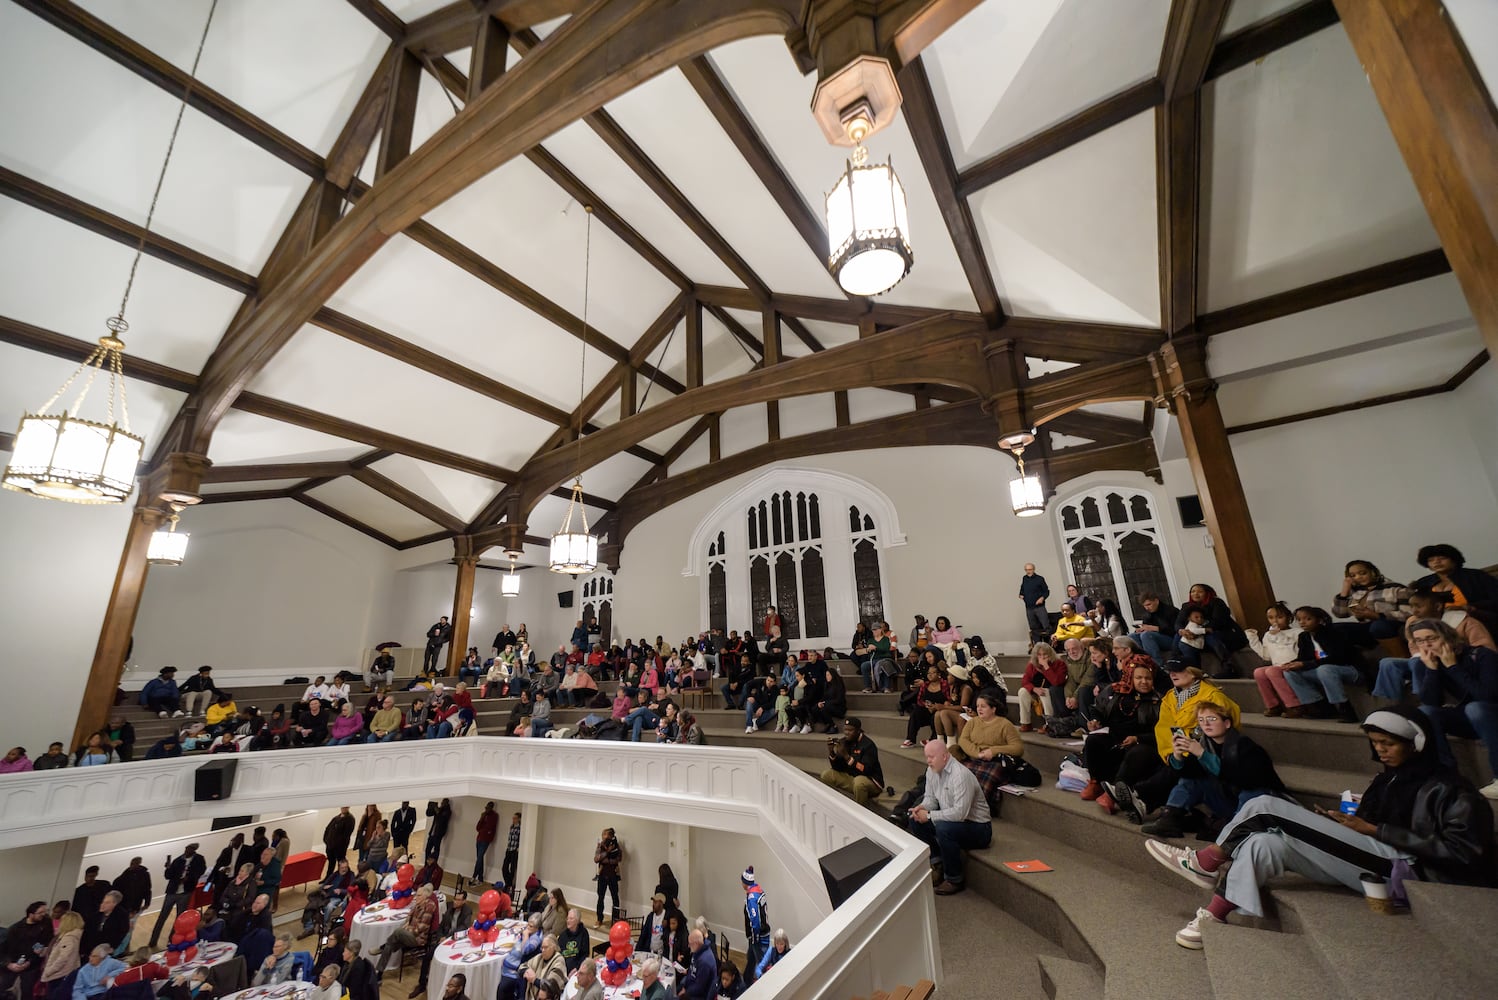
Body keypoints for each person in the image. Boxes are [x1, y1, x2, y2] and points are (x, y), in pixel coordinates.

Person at [1151, 707, 1495, 950]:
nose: (1381, 751)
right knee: (1265, 844)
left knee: (1264, 805)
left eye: (1388, 744)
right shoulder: (1388, 778)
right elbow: (1369, 824)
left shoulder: (1453, 788)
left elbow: (1465, 852)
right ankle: (1214, 915)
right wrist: (1339, 824)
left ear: (1417, 743)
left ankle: (1207, 862)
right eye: (1375, 744)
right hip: (1372, 860)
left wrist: (1377, 831)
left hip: (1410, 870)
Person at [1109, 662, 1241, 825]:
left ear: (1193, 673)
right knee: (1147, 755)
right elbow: (1163, 728)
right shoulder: (1170, 697)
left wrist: (1183, 748)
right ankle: (1135, 797)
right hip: (1177, 747)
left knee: (1184, 767)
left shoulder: (1213, 696)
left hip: (1207, 750)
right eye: (1170, 671)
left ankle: (1137, 796)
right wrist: (1169, 752)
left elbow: (1217, 728)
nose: (1172, 674)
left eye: (1178, 670)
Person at [1140, 700, 1286, 839]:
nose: (1206, 724)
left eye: (1212, 719)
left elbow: (1247, 781)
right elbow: (1190, 774)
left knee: (1251, 792)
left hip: (1260, 804)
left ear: (1227, 723)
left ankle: (1236, 830)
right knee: (1189, 780)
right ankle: (1170, 818)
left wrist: (1203, 755)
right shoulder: (1203, 744)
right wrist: (1178, 756)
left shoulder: (1246, 747)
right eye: (1201, 720)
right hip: (1229, 801)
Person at [1411, 618, 1498, 799]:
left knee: (1475, 708)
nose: (1426, 645)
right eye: (1419, 641)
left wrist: (1453, 667)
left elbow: (1487, 696)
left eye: (1431, 638)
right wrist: (1432, 670)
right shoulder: (1427, 662)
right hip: (1471, 717)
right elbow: (1431, 702)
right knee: (1426, 713)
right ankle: (1448, 776)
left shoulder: (1481, 655)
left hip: (1490, 712)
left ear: (1447, 636)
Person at [1374, 591, 1497, 700]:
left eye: (1419, 606)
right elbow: (1415, 649)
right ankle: (1392, 704)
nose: (1414, 611)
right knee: (1388, 663)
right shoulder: (1415, 624)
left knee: (1417, 663)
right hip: (1427, 658)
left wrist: (1453, 652)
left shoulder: (1465, 621)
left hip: (1453, 659)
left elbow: (1485, 648)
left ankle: (1422, 698)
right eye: (1411, 607)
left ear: (1437, 606)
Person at [908, 740, 991, 895]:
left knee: (943, 828)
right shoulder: (931, 770)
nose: (928, 761)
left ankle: (954, 879)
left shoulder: (960, 775)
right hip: (955, 822)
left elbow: (960, 814)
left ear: (945, 757)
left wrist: (930, 815)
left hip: (979, 828)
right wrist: (923, 808)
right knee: (915, 819)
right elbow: (931, 799)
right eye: (927, 757)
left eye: (931, 757)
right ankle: (937, 863)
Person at [1280, 606, 1366, 723]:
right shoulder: (1304, 636)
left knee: (1325, 669)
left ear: (1319, 620)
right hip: (1322, 670)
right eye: (1299, 620)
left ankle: (1345, 709)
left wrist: (1307, 664)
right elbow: (1303, 658)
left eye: (1307, 619)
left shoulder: (1333, 633)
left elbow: (1339, 658)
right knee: (1290, 672)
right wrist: (1291, 664)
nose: (1302, 622)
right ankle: (1319, 706)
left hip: (1349, 669)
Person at [955, 688, 1025, 801]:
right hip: (974, 757)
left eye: (983, 706)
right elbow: (963, 740)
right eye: (978, 706)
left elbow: (1018, 748)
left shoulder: (1005, 724)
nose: (979, 709)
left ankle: (976, 806)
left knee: (986, 774)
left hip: (994, 760)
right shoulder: (973, 722)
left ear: (993, 709)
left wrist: (993, 751)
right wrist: (977, 753)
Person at [1410, 543, 1498, 631]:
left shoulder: (1476, 576)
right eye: (1431, 560)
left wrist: (1467, 607)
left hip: (1475, 617)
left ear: (1454, 560)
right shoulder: (1424, 582)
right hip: (1438, 621)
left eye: (1442, 558)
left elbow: (1495, 600)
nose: (1436, 562)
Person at [1173, 584, 1249, 675]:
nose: (1196, 594)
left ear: (1207, 593)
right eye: (1193, 591)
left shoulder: (1217, 602)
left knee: (1210, 637)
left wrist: (1199, 631)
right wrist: (1182, 631)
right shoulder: (1186, 606)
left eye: (1200, 591)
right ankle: (1177, 665)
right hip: (1198, 635)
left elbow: (1218, 622)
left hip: (1224, 633)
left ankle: (1229, 667)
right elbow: (1178, 623)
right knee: (1178, 636)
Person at [1247, 602, 1303, 717]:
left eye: (1279, 617)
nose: (1275, 621)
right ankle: (1273, 705)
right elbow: (1266, 655)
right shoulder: (1268, 635)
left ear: (1288, 617)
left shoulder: (1297, 633)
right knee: (1258, 672)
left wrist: (1278, 635)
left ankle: (1294, 705)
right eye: (1271, 618)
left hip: (1293, 664)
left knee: (1271, 671)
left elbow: (1298, 651)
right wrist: (1252, 638)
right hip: (1277, 666)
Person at [370, 885, 438, 975]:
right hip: (409, 934)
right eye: (416, 895)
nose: (415, 897)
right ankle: (379, 974)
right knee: (390, 945)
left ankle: (382, 947)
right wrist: (407, 925)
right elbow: (408, 918)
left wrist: (407, 928)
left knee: (398, 931)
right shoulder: (417, 904)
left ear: (425, 896)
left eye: (419, 895)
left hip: (418, 939)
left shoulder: (429, 907)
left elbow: (421, 928)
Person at [819, 717, 886, 808]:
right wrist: (832, 753)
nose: (847, 733)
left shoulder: (868, 745)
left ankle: (860, 813)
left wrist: (847, 757)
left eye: (850, 730)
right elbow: (837, 768)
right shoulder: (844, 742)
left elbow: (866, 770)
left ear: (858, 730)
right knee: (826, 775)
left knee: (859, 782)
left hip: (871, 782)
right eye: (845, 729)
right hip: (852, 778)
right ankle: (834, 807)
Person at [1, 901, 55, 1000]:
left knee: (27, 991)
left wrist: (31, 961)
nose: (43, 914)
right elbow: (3, 949)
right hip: (13, 963)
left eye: (45, 911)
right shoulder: (15, 929)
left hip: (31, 965)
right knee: (3, 987)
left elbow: (47, 942)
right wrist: (8, 964)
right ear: (31, 914)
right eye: (40, 912)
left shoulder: (46, 924)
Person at [1017, 642, 1066, 733]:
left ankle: (1049, 724)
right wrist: (1033, 689)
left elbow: (1057, 682)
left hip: (1051, 691)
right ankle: (1026, 723)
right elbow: (1025, 681)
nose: (1042, 657)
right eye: (1039, 655)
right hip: (1036, 690)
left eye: (1045, 654)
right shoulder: (1032, 664)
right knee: (1022, 691)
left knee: (1045, 692)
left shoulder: (1059, 663)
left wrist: (1046, 666)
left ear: (1050, 654)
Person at [497, 914, 543, 1000]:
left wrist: (525, 935)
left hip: (516, 971)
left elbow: (525, 950)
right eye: (528, 924)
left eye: (531, 926)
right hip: (510, 966)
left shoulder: (536, 938)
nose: (528, 927)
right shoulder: (531, 931)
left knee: (502, 990)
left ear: (537, 928)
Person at [40, 910, 83, 997]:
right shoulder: (73, 937)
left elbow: (62, 958)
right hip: (63, 973)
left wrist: (49, 971)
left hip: (59, 974)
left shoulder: (69, 938)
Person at [739, 867, 769, 985]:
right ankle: (747, 981)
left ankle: (767, 987)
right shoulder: (759, 890)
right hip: (759, 934)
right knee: (751, 959)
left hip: (757, 936)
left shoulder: (751, 898)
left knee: (762, 964)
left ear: (745, 882)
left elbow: (755, 921)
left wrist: (755, 939)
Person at [1128, 592, 1180, 661]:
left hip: (1171, 639)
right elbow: (1146, 628)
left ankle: (1156, 663)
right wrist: (1140, 630)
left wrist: (1155, 628)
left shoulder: (1171, 611)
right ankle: (1142, 660)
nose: (1147, 608)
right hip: (1153, 637)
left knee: (1146, 635)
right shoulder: (1147, 615)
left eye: (1149, 604)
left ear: (1156, 601)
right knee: (1132, 636)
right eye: (1144, 606)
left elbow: (1176, 630)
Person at [80, 892, 126, 957]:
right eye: (103, 902)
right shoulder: (94, 916)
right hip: (89, 950)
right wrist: (82, 950)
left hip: (106, 951)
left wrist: (112, 947)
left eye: (107, 903)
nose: (102, 904)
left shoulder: (120, 917)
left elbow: (121, 933)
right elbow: (86, 933)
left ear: (115, 904)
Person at [519, 934, 564, 1000]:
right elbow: (521, 967)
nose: (543, 950)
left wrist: (534, 980)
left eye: (545, 947)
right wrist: (527, 970)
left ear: (553, 947)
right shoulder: (540, 957)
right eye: (542, 947)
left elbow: (551, 986)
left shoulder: (559, 960)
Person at [111, 857, 152, 930]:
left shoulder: (145, 875)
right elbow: (116, 886)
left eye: (136, 863)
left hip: (135, 906)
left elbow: (147, 889)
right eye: (132, 864)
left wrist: (147, 902)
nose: (133, 865)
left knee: (130, 926)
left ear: (139, 864)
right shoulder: (125, 875)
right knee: (120, 925)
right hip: (124, 905)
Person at [592, 829, 622, 928]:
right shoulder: (600, 846)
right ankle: (599, 919)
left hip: (613, 876)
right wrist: (607, 852)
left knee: (615, 898)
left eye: (606, 835)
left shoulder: (616, 846)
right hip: (602, 876)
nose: (604, 837)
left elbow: (619, 858)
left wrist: (607, 860)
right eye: (603, 834)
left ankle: (616, 919)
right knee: (600, 898)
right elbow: (596, 859)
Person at [678, 929, 717, 1000]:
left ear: (696, 943)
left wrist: (686, 991)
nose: (688, 946)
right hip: (691, 986)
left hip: (699, 995)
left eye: (690, 943)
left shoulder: (705, 962)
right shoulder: (697, 951)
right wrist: (685, 986)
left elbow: (699, 987)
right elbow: (691, 970)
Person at [1019, 563, 1050, 646]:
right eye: (1026, 570)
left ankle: (1048, 645)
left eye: (1029, 570)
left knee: (1045, 626)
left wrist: (1042, 598)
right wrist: (1021, 595)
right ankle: (1038, 645)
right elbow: (1022, 589)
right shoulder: (1024, 578)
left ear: (1033, 569)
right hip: (1029, 608)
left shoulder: (1040, 579)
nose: (1028, 572)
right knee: (1033, 627)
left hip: (1039, 607)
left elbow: (1046, 591)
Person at [323, 807, 355, 877]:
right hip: (330, 845)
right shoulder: (336, 818)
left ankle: (343, 877)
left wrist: (337, 844)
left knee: (341, 863)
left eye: (345, 807)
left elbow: (346, 835)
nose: (343, 808)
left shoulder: (350, 819)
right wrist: (326, 840)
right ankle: (328, 878)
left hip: (340, 847)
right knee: (331, 862)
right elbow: (328, 828)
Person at [555, 909, 589, 974]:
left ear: (577, 921)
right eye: (567, 918)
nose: (568, 921)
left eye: (571, 919)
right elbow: (558, 954)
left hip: (577, 969)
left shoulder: (583, 933)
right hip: (563, 968)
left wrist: (576, 968)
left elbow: (585, 955)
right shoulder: (563, 935)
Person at [473, 802, 499, 882]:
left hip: (486, 839)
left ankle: (474, 875)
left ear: (491, 808)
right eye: (486, 807)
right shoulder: (484, 815)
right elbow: (477, 828)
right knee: (479, 858)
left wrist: (487, 831)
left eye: (488, 807)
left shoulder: (494, 816)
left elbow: (490, 827)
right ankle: (480, 877)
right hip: (479, 838)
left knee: (480, 857)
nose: (486, 809)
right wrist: (482, 818)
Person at [501, 812, 522, 890]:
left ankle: (509, 886)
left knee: (513, 869)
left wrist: (517, 849)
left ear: (519, 819)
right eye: (513, 818)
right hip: (509, 849)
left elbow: (520, 839)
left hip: (514, 851)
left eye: (515, 818)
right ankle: (508, 883)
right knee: (504, 868)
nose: (513, 820)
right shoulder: (512, 827)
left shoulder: (520, 828)